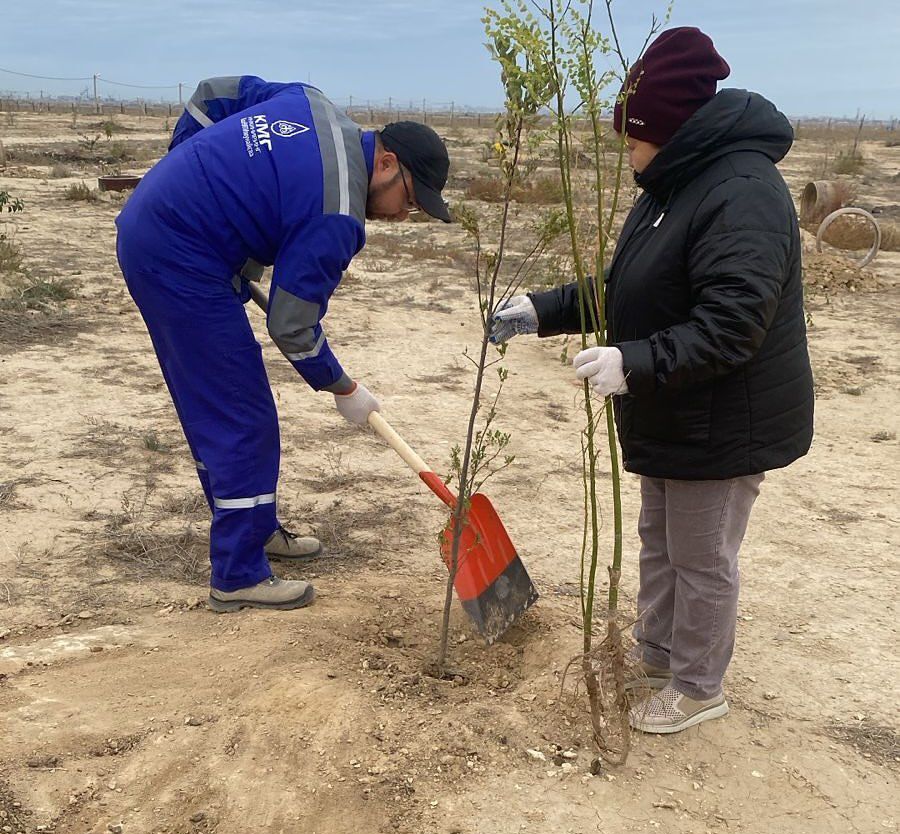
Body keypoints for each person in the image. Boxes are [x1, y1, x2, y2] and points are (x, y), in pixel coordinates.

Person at [490, 27, 814, 735]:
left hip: (722, 418)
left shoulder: (743, 192)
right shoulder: (669, 184)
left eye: (633, 138)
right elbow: (625, 285)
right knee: (660, 543)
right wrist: (540, 310)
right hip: (674, 409)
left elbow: (732, 325)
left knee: (701, 558)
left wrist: (631, 363)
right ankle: (659, 655)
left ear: (668, 128)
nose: (626, 151)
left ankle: (699, 687)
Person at [116, 76, 451, 612]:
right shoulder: (339, 214)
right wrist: (342, 387)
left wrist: (185, 174)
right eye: (409, 200)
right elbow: (292, 325)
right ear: (386, 164)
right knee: (239, 414)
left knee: (228, 407)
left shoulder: (314, 103)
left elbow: (212, 94)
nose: (403, 216)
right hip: (176, 257)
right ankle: (238, 574)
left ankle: (254, 527)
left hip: (163, 232)